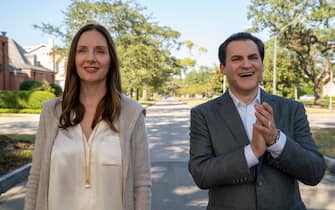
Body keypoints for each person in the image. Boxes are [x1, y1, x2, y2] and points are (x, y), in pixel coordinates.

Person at [188, 32, 326, 210]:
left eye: (253, 57)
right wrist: (252, 153)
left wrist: (276, 141)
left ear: (261, 64)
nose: (246, 64)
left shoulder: (292, 109)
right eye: (237, 59)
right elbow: (201, 174)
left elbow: (314, 173)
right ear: (222, 68)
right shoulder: (203, 114)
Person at [24, 23, 151, 210]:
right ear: (74, 59)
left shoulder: (132, 114)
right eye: (82, 50)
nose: (90, 58)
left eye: (100, 51)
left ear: (111, 59)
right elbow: (36, 178)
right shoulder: (51, 112)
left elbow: (141, 185)